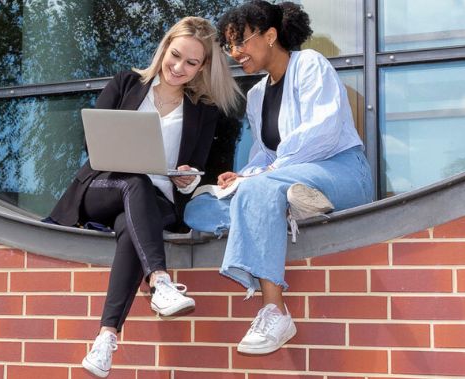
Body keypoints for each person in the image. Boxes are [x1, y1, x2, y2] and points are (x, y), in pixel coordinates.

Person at [43, 17, 241, 378]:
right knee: (135, 182)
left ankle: (106, 339)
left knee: (130, 231)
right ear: (165, 48)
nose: (179, 67)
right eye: (176, 55)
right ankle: (161, 282)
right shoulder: (126, 84)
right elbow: (93, 143)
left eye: (191, 63)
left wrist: (186, 179)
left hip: (158, 203)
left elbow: (194, 170)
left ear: (202, 68)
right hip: (104, 188)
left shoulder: (204, 111)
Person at [184, 0, 375, 356]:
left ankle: (275, 310)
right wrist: (244, 175)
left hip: (341, 170)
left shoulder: (310, 65)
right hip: (289, 178)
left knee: (258, 190)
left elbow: (323, 132)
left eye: (240, 41)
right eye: (230, 46)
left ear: (270, 35)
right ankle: (282, 207)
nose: (235, 52)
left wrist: (265, 176)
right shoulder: (256, 95)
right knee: (199, 210)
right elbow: (267, 154)